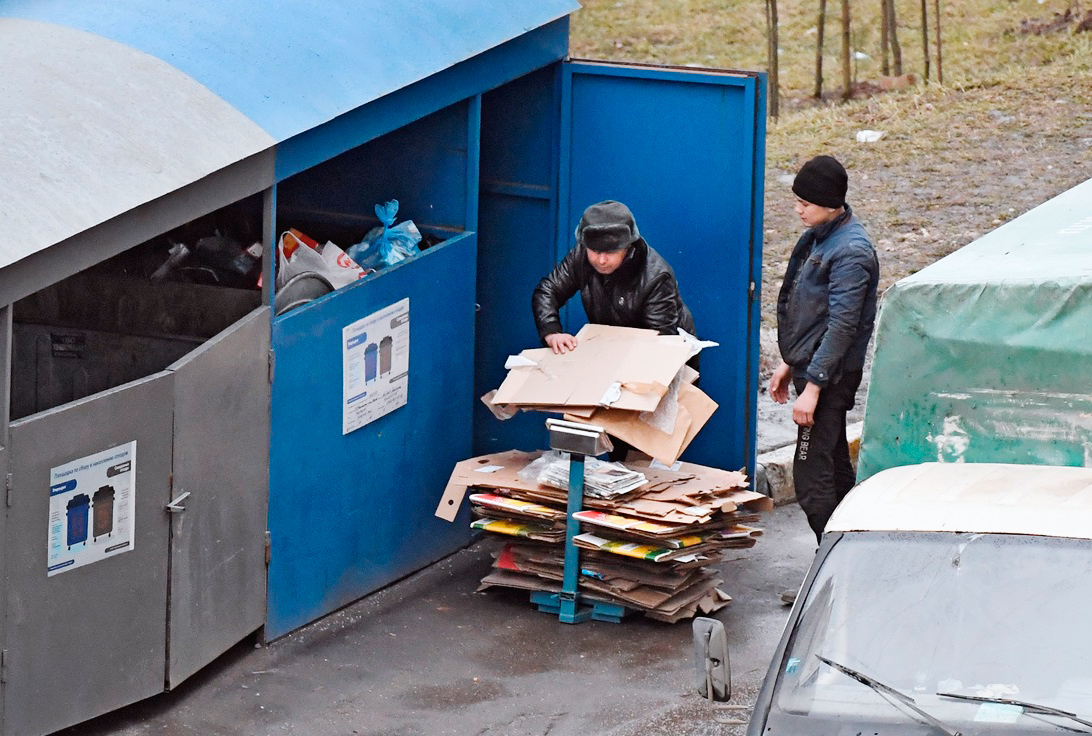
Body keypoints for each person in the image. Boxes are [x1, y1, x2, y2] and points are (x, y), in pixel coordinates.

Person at [770, 155, 879, 550]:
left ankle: (831, 567)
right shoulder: (820, 235)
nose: (797, 209)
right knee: (833, 470)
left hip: (829, 379)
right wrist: (788, 362)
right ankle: (846, 562)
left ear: (831, 203)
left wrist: (812, 388)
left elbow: (842, 327)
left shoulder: (851, 252)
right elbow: (811, 312)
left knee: (812, 480)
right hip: (815, 369)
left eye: (805, 203)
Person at [532, 199, 695, 351]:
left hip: (668, 350)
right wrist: (551, 331)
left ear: (628, 246)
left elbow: (659, 342)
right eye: (595, 251)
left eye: (611, 251)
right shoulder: (580, 255)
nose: (601, 260)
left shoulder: (656, 276)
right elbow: (548, 291)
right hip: (615, 348)